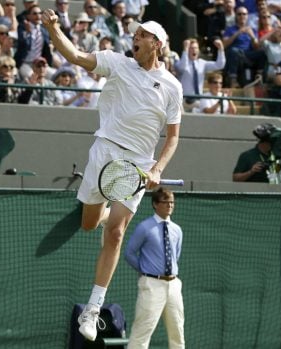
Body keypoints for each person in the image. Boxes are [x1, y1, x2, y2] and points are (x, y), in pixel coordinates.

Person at [41, 10, 182, 342]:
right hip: (105, 150)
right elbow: (74, 55)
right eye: (134, 34)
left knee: (116, 234)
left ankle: (92, 308)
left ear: (157, 44)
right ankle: (99, 211)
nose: (135, 37)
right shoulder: (116, 63)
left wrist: (157, 168)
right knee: (90, 224)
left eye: (143, 34)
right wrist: (53, 29)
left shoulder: (172, 87)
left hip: (138, 164)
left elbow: (173, 137)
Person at [124, 187, 184, 349]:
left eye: (172, 202)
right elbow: (129, 252)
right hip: (151, 284)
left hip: (173, 285)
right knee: (142, 330)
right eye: (165, 202)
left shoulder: (177, 230)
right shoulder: (144, 227)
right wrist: (144, 270)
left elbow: (175, 256)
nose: (170, 205)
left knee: (177, 331)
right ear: (155, 204)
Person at [174, 37, 225, 109]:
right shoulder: (180, 63)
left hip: (198, 100)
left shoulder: (202, 63)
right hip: (183, 101)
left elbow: (219, 65)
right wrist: (185, 49)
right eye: (191, 48)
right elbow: (182, 68)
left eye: (196, 48)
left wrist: (221, 49)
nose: (194, 50)